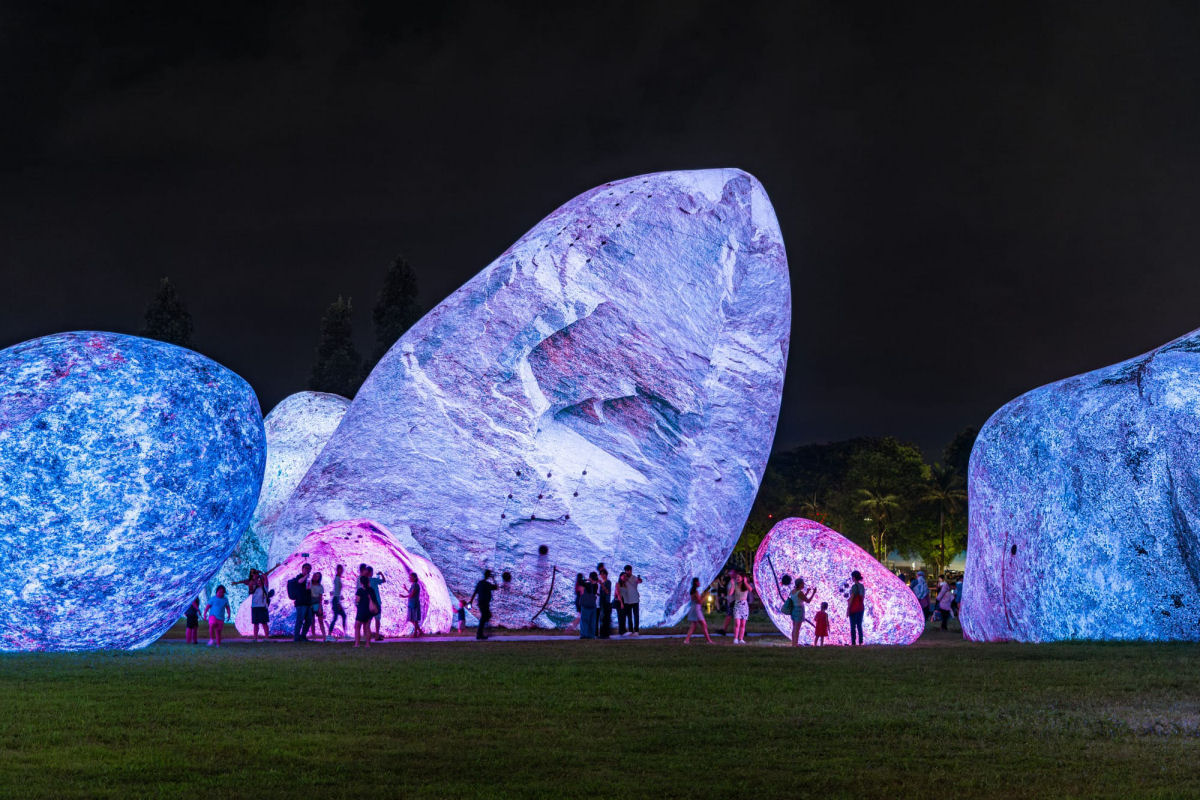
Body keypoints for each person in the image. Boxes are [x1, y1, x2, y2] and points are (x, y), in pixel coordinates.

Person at [468, 569, 499, 640]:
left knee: (486, 616)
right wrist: (493, 579)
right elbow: (496, 587)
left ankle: (482, 632)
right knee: (484, 617)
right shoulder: (487, 584)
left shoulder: (480, 583)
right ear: (488, 576)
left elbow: (475, 592)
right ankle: (480, 634)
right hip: (484, 603)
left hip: (481, 603)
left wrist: (471, 601)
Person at [786, 577, 816, 647]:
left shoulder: (792, 591)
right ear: (800, 584)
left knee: (794, 628)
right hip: (799, 610)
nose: (804, 585)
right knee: (797, 628)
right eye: (803, 584)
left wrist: (807, 592)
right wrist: (813, 593)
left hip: (793, 610)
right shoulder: (800, 592)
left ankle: (793, 643)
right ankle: (795, 644)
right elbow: (808, 601)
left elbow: (800, 599)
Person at [683, 578, 713, 644]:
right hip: (697, 609)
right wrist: (706, 595)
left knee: (694, 625)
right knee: (704, 624)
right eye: (698, 582)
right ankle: (709, 640)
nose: (699, 583)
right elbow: (700, 602)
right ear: (696, 583)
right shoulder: (696, 592)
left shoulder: (692, 591)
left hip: (694, 608)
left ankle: (686, 640)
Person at [289, 563, 313, 642]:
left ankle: (303, 636)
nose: (307, 570)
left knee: (309, 620)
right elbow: (299, 582)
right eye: (305, 568)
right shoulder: (299, 577)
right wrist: (306, 576)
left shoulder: (309, 579)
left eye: (308, 569)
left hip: (308, 603)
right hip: (300, 603)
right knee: (299, 620)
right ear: (302, 569)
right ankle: (296, 637)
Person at [729, 571, 754, 644]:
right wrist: (733, 585)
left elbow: (750, 589)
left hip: (744, 605)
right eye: (736, 577)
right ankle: (735, 639)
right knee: (737, 623)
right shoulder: (735, 585)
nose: (737, 578)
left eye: (739, 577)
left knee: (743, 624)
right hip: (737, 605)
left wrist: (745, 582)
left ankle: (741, 639)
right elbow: (730, 593)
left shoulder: (745, 585)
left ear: (743, 578)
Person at [353, 574, 376, 648]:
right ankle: (367, 644)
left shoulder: (360, 590)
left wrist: (356, 603)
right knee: (367, 627)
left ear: (361, 582)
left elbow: (357, 600)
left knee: (357, 627)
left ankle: (357, 644)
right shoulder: (371, 590)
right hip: (369, 611)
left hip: (361, 611)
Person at [620, 565, 643, 635]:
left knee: (636, 615)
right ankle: (630, 630)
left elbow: (639, 581)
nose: (628, 572)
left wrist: (639, 580)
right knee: (629, 616)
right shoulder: (623, 578)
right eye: (627, 570)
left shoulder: (634, 577)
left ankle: (636, 630)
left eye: (629, 570)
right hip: (627, 600)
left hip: (635, 599)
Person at [400, 572, 423, 637]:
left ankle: (415, 633)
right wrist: (406, 588)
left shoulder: (416, 585)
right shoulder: (413, 585)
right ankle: (420, 631)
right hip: (411, 603)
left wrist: (403, 596)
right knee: (411, 618)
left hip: (414, 603)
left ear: (414, 578)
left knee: (415, 619)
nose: (409, 578)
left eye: (410, 577)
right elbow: (411, 592)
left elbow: (412, 595)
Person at [328, 564, 348, 640]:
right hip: (336, 600)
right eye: (341, 569)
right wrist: (338, 602)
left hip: (336, 600)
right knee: (336, 617)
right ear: (338, 570)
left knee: (341, 616)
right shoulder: (337, 579)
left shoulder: (338, 578)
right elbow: (336, 591)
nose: (342, 571)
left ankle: (344, 634)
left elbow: (337, 591)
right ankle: (329, 635)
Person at [847, 570, 866, 646]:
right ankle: (861, 641)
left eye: (852, 577)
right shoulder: (862, 586)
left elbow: (851, 598)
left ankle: (853, 642)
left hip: (854, 608)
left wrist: (848, 608)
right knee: (859, 625)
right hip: (861, 607)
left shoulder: (854, 587)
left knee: (853, 626)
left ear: (854, 577)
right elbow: (862, 597)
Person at [579, 571, 599, 639]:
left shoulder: (587, 584)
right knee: (592, 621)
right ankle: (591, 635)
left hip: (586, 604)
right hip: (593, 604)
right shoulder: (596, 585)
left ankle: (584, 635)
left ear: (590, 577)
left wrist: (587, 579)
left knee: (584, 620)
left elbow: (580, 582)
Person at [369, 568, 386, 641]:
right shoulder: (373, 580)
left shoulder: (365, 581)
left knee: (368, 620)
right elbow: (384, 580)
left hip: (368, 603)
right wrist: (381, 574)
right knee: (377, 619)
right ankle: (376, 635)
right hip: (377, 602)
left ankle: (368, 635)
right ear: (371, 572)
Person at [720, 568, 738, 637]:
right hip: (730, 601)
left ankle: (724, 630)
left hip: (733, 601)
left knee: (731, 616)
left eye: (731, 573)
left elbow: (734, 592)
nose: (730, 575)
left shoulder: (735, 582)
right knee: (729, 616)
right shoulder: (731, 581)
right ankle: (724, 630)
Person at [309, 571, 327, 641]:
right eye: (315, 575)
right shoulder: (310, 584)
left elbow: (320, 597)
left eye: (317, 576)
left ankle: (324, 636)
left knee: (320, 620)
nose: (316, 577)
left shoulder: (320, 586)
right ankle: (314, 636)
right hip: (310, 603)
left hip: (317, 603)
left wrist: (320, 607)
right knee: (312, 621)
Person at [597, 567, 613, 639]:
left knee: (604, 618)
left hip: (606, 602)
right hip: (601, 602)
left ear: (606, 575)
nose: (602, 576)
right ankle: (603, 634)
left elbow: (607, 592)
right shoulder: (602, 583)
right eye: (601, 574)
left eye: (603, 574)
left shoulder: (608, 582)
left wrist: (602, 585)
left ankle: (605, 634)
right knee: (602, 618)